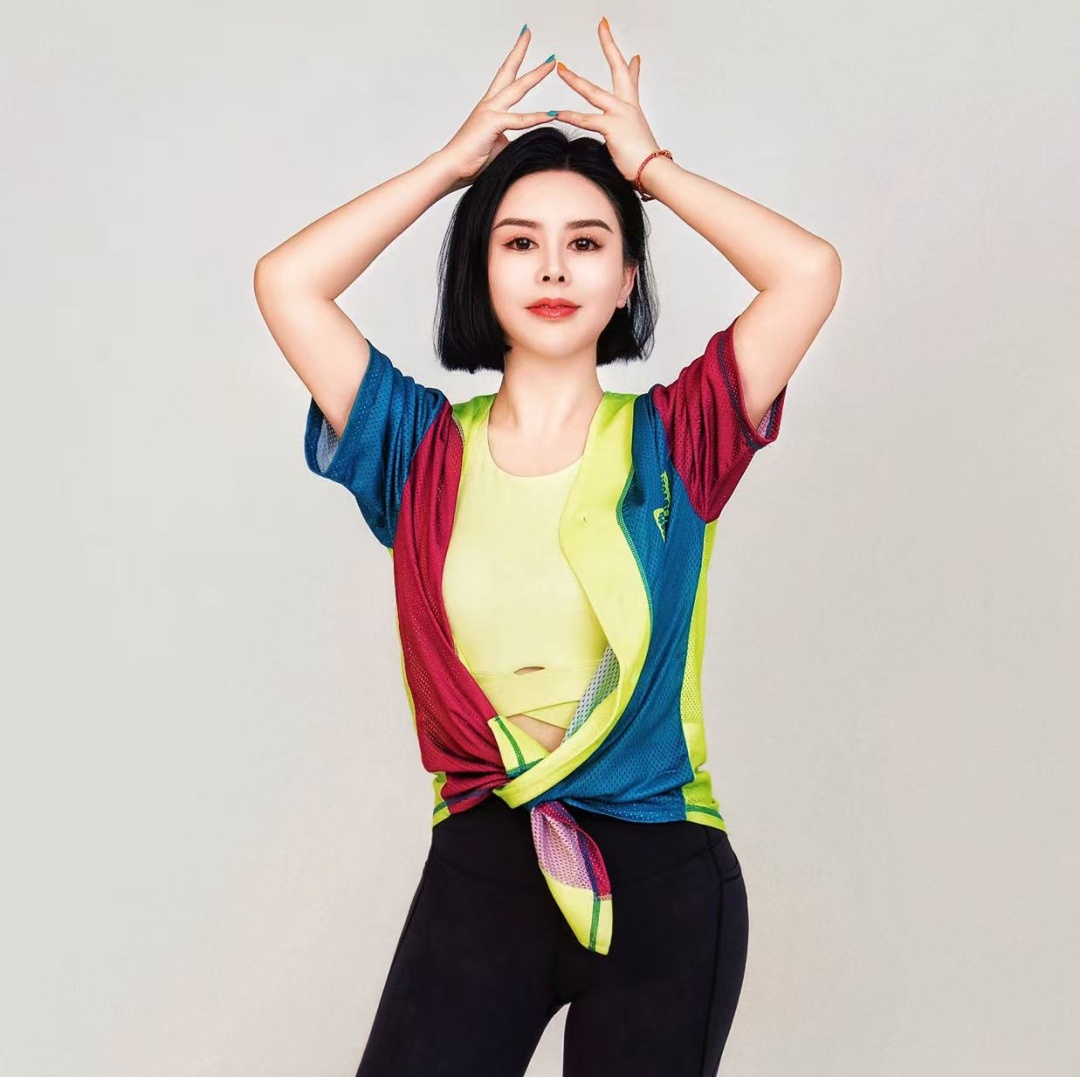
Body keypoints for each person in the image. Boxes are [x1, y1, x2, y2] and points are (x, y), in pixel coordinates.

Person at [253, 18, 841, 1077]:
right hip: (484, 860)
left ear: (627, 279)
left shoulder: (679, 442)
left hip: (663, 871)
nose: (554, 267)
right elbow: (287, 282)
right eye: (519, 241)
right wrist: (452, 168)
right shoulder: (417, 452)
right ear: (481, 273)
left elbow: (806, 272)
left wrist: (650, 170)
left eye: (589, 242)